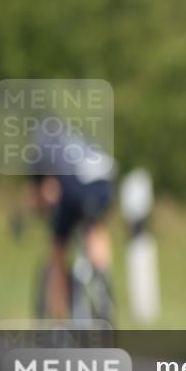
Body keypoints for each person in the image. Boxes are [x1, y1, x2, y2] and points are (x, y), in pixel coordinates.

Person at [27, 119, 116, 319]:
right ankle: (102, 282)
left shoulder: (42, 149)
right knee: (95, 227)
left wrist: (34, 213)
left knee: (58, 246)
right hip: (105, 184)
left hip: (75, 187)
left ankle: (59, 313)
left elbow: (43, 192)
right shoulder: (80, 139)